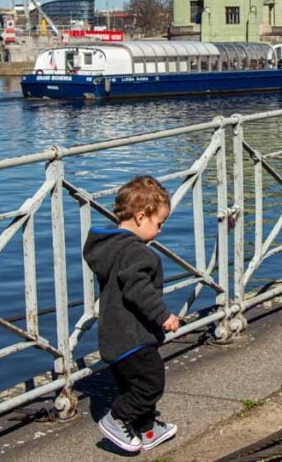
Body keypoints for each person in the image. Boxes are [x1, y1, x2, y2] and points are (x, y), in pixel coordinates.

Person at [84, 176, 180, 453]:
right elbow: (139, 291)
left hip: (113, 335)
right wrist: (163, 316)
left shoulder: (110, 248)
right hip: (132, 335)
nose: (160, 230)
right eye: (159, 224)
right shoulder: (136, 253)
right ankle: (117, 419)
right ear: (141, 217)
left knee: (132, 384)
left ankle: (147, 427)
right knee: (151, 381)